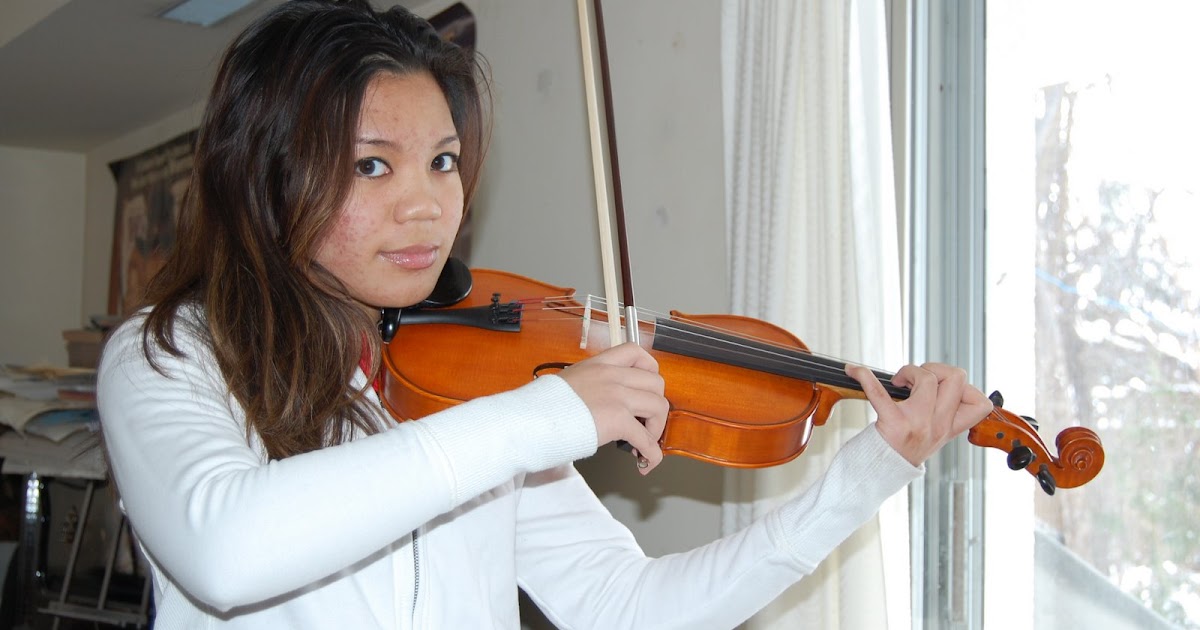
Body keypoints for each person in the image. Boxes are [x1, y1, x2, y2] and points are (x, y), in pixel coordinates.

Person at [97, 1, 994, 628]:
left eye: (443, 162)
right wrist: (551, 413)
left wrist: (862, 479)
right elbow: (228, 547)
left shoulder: (463, 391)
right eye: (373, 165)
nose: (427, 206)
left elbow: (626, 609)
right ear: (265, 171)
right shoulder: (170, 355)